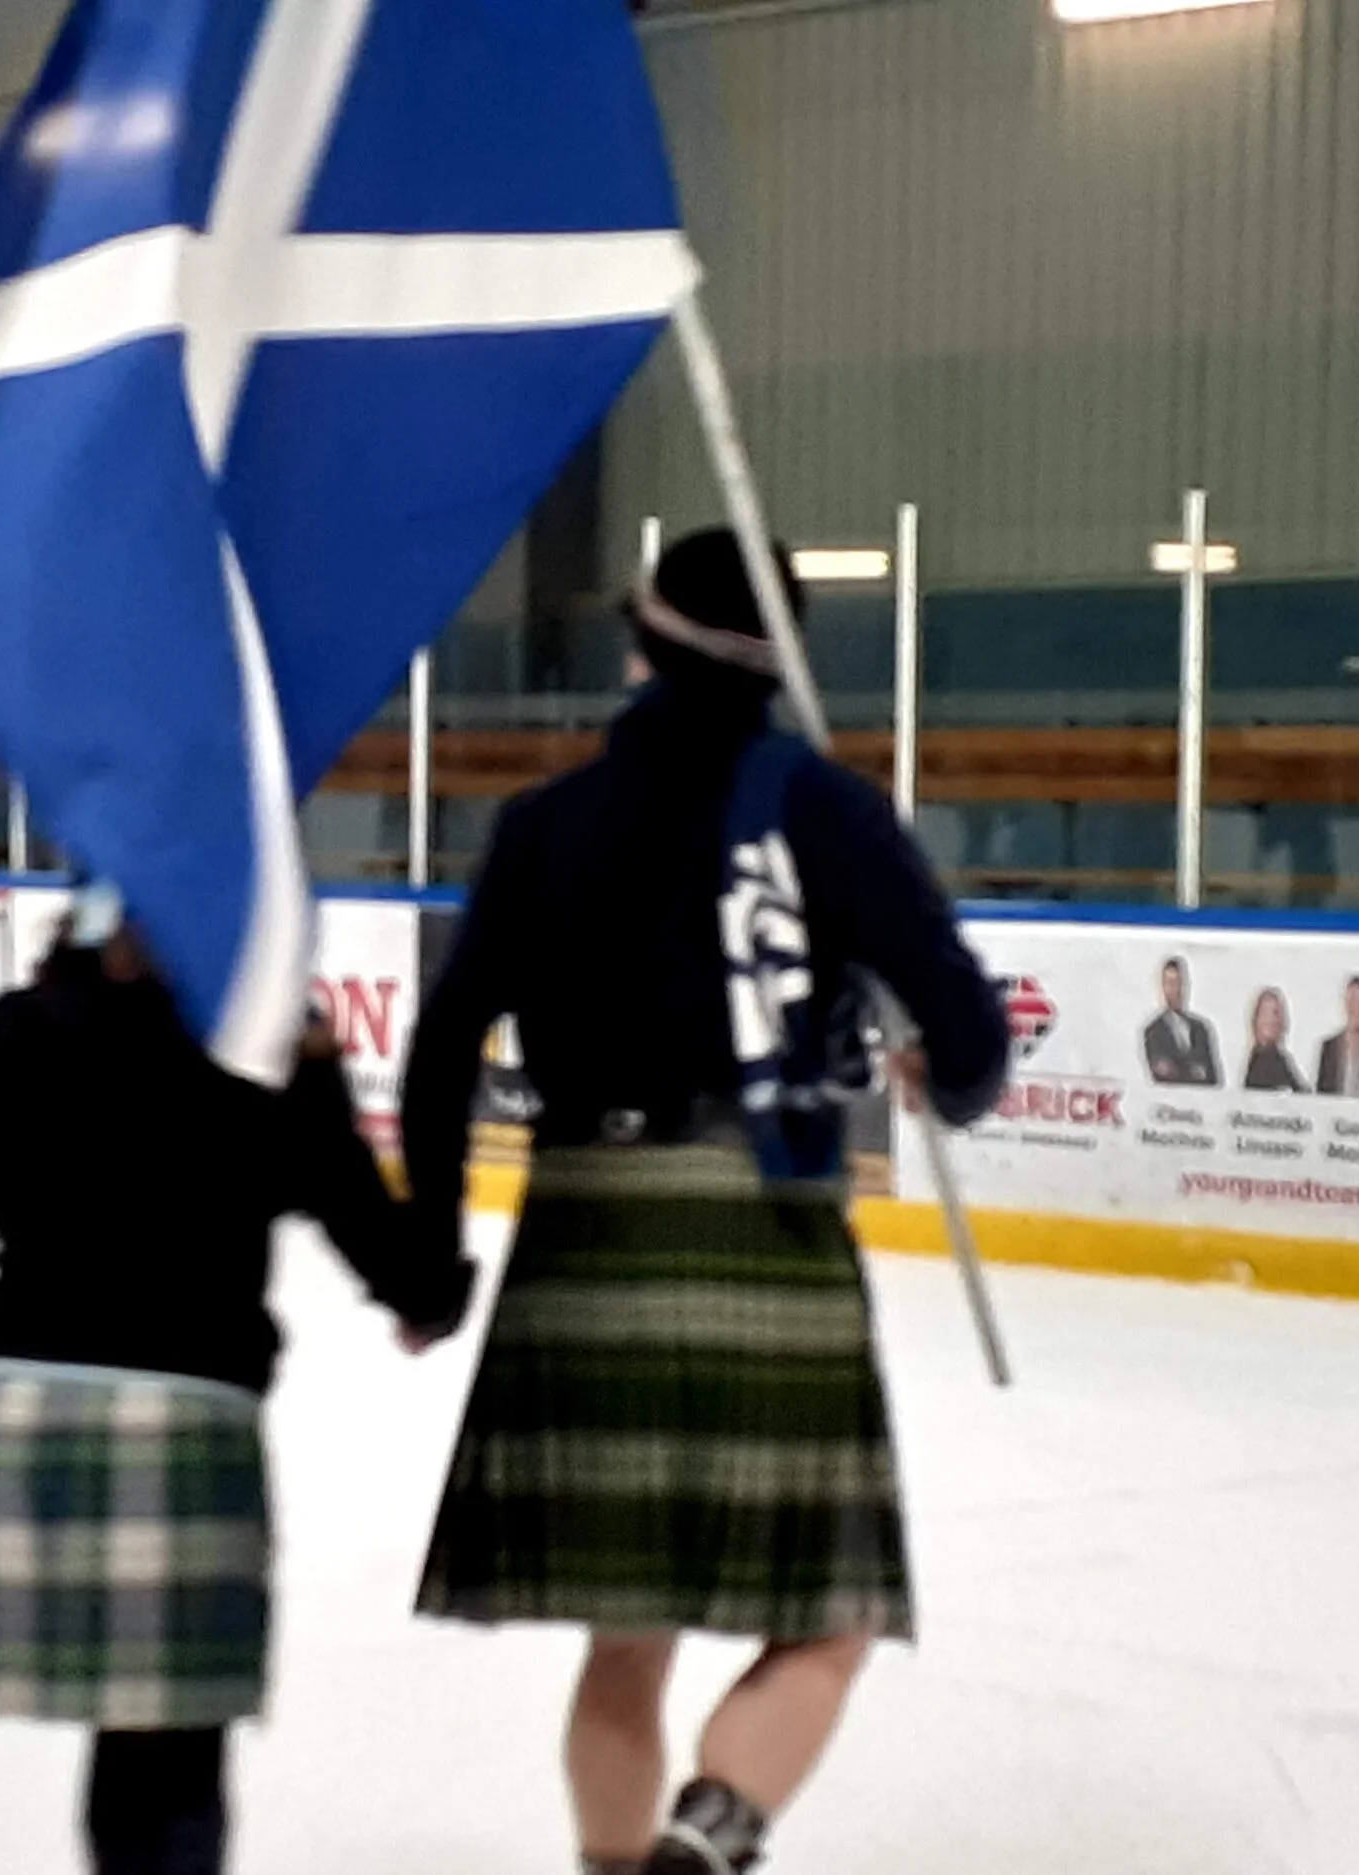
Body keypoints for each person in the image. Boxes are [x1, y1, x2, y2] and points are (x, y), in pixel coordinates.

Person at [402, 529, 1010, 1875]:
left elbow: (441, 1053)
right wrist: (950, 1082)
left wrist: (429, 1266)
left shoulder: (545, 822)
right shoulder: (827, 811)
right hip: (762, 1222)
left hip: (580, 1232)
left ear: (643, 644)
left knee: (627, 1637)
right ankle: (708, 1834)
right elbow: (968, 1028)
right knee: (831, 1619)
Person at [0, 886, 475, 1875]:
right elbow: (383, 1246)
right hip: (189, 1411)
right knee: (172, 1743)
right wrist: (434, 1283)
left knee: (126, 1741)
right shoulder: (268, 1051)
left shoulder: (11, 1035)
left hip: (32, 1408)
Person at [1142, 955, 1220, 1087]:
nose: (1176, 990)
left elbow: (1213, 1077)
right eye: (1171, 983)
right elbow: (1164, 1074)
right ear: (1163, 987)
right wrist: (1194, 1072)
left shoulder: (1200, 1029)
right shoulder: (1154, 1031)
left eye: (1179, 983)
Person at [1241, 987, 1308, 1094]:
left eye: (1275, 1013)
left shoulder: (1280, 1059)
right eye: (1265, 1014)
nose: (1271, 1020)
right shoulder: (1262, 1060)